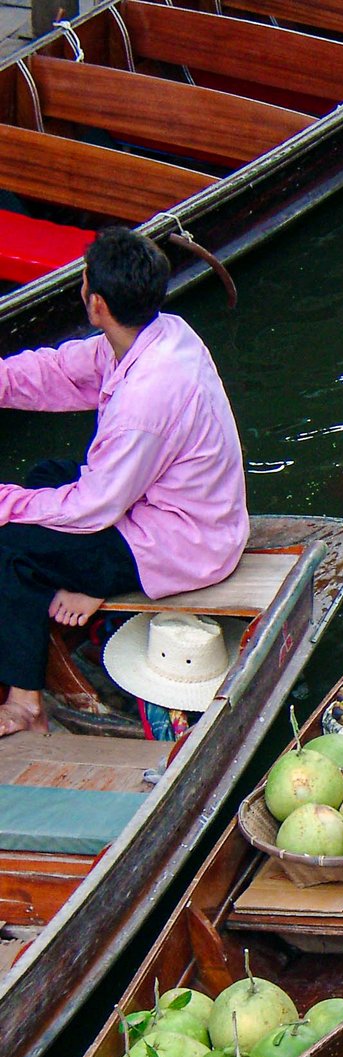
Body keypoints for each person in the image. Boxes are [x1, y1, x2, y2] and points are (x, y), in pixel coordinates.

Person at [0, 227, 248, 736]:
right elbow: (60, 372)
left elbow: (93, 508)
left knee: (13, 547)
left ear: (96, 305)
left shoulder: (148, 398)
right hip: (153, 507)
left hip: (178, 542)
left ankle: (24, 700)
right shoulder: (160, 332)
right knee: (46, 475)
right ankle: (79, 583)